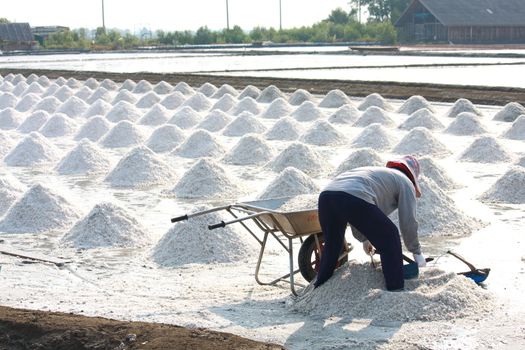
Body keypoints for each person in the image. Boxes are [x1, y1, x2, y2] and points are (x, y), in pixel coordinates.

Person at [313, 155, 426, 291]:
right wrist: (416, 251)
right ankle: (395, 289)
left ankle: (319, 287)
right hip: (353, 196)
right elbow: (408, 221)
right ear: (413, 176)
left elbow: (360, 214)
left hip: (326, 196)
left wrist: (365, 238)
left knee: (333, 245)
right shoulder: (405, 182)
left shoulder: (379, 174)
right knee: (390, 237)